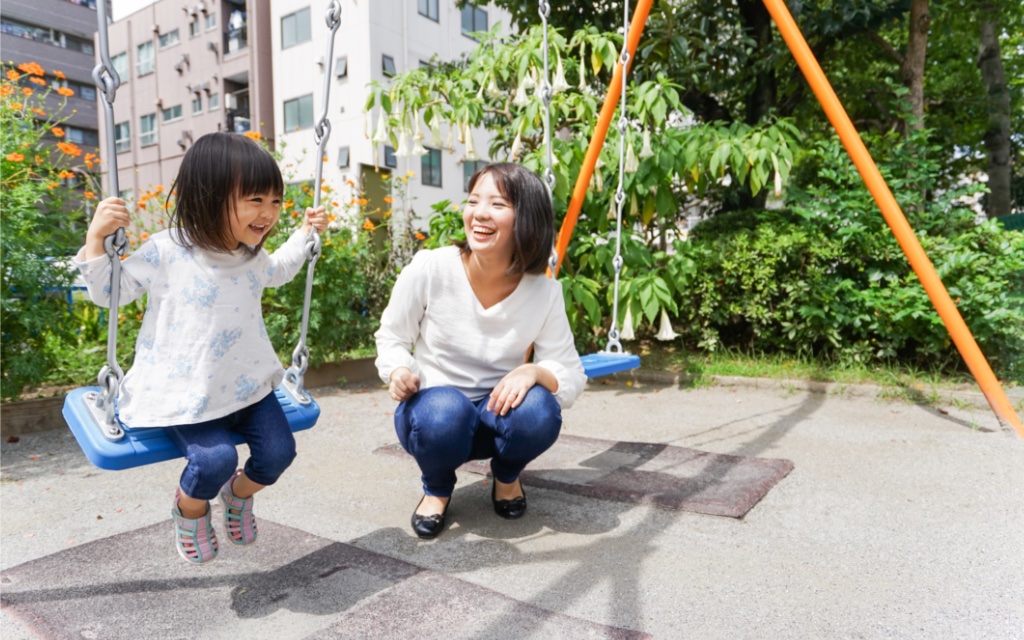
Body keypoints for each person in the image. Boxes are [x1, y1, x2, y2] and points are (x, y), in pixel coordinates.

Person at [74, 132, 328, 564]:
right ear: (209, 197)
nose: (268, 214)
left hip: (248, 385)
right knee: (213, 460)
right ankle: (190, 511)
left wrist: (306, 233)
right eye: (255, 200)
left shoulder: (250, 256)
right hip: (186, 389)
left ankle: (237, 495)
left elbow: (282, 267)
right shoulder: (166, 251)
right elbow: (109, 293)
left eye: (275, 201)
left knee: (279, 453)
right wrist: (97, 239)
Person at [375, 162, 587, 539]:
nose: (480, 213)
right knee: (444, 410)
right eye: (474, 200)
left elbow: (570, 373)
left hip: (496, 417)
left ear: (528, 220)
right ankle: (437, 488)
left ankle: (506, 477)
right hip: (433, 419)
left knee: (540, 410)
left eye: (498, 204)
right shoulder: (430, 268)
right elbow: (391, 337)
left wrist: (533, 372)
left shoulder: (544, 291)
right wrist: (397, 371)